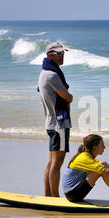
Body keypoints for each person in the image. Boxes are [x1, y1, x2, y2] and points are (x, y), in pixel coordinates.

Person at [38, 42, 73, 197]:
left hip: (51, 122)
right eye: (58, 53)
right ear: (49, 55)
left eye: (63, 53)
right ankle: (55, 197)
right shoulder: (52, 75)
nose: (62, 56)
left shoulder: (44, 73)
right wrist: (70, 96)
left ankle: (48, 195)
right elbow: (68, 97)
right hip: (59, 123)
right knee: (56, 164)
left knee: (51, 162)